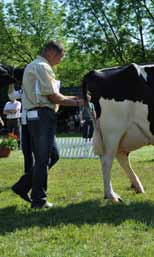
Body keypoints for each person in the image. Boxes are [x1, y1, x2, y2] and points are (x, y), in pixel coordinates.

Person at [12, 40, 83, 209]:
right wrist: (79, 103)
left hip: (37, 116)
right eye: (60, 56)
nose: (61, 60)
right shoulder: (43, 67)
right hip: (42, 116)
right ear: (51, 53)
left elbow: (54, 95)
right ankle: (39, 200)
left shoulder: (36, 65)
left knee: (52, 156)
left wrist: (76, 99)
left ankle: (22, 186)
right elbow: (53, 97)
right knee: (44, 159)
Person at [10, 85, 59, 204]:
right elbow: (12, 95)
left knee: (49, 157)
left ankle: (23, 186)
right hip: (33, 122)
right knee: (42, 158)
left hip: (36, 120)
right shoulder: (31, 83)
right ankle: (36, 195)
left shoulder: (41, 81)